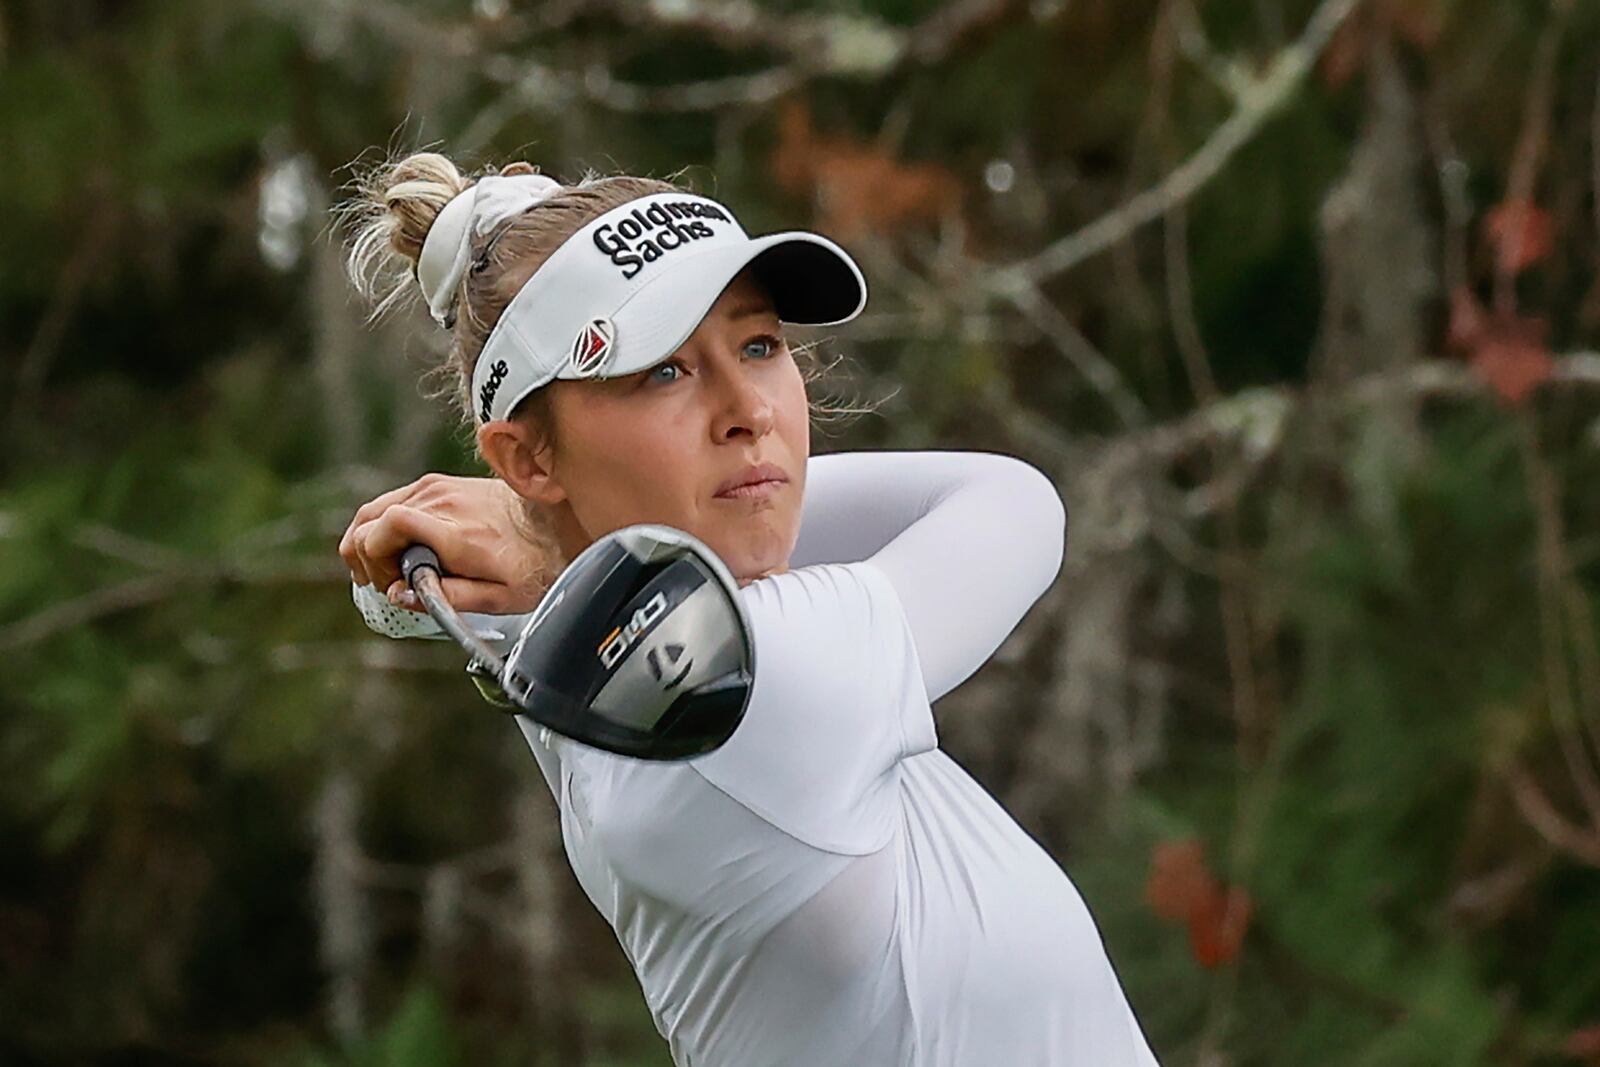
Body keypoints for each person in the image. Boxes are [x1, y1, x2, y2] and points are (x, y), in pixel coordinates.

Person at [338, 151, 1161, 1066]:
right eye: (663, 370)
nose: (748, 411)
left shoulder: (650, 671)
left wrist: (558, 542)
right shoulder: (744, 690)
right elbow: (1014, 505)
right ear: (530, 461)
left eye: (759, 345)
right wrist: (555, 547)